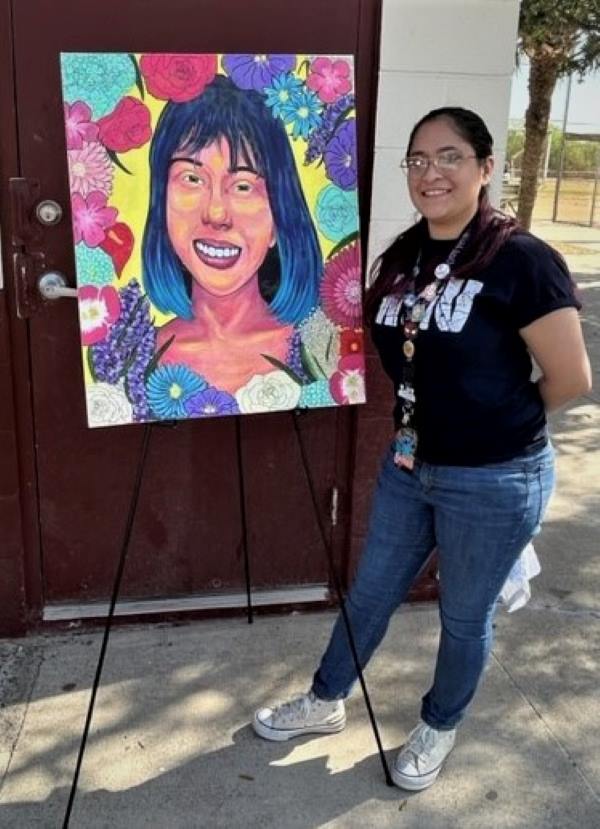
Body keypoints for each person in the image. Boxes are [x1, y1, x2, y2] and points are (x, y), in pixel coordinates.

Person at [252, 107, 592, 790]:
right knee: (372, 590)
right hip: (410, 465)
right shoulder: (404, 255)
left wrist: (494, 429)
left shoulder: (522, 262)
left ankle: (438, 724)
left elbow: (570, 378)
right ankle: (325, 699)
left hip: (496, 478)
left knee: (463, 615)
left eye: (449, 157)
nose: (430, 172)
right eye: (417, 159)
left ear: (485, 167)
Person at [142, 75, 322, 393]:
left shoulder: (320, 354)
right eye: (192, 179)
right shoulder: (131, 359)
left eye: (242, 186)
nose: (216, 214)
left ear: (280, 216)